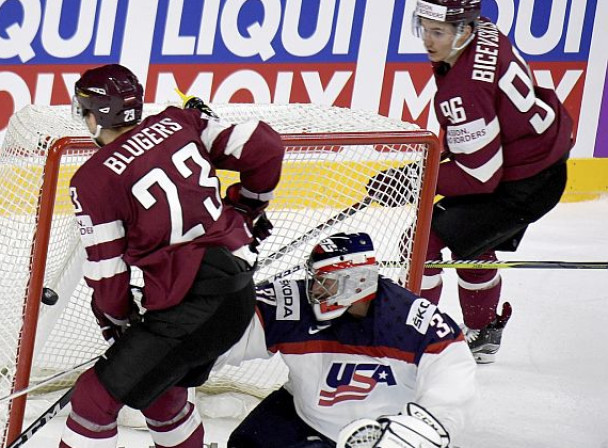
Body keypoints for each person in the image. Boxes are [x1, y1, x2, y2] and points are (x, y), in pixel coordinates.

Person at [58, 64, 284, 448]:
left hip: (192, 305)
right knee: (162, 392)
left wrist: (116, 322)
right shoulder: (180, 121)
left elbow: (107, 273)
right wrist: (248, 207)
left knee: (94, 398)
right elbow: (266, 146)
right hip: (235, 295)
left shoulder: (93, 180)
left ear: (96, 115)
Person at [368, 0, 573, 364]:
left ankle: (412, 338)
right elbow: (486, 116)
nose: (428, 41)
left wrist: (413, 180)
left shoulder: (462, 91)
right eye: (424, 29)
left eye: (438, 32)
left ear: (463, 30)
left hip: (522, 183)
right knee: (469, 235)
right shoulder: (486, 29)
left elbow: (480, 176)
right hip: (536, 157)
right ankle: (483, 329)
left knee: (421, 242)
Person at [221, 232, 477, 448]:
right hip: (301, 415)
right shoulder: (293, 306)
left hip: (379, 436)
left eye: (325, 283)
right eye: (315, 280)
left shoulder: (411, 320)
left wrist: (422, 428)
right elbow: (231, 334)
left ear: (358, 282)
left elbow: (454, 377)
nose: (314, 291)